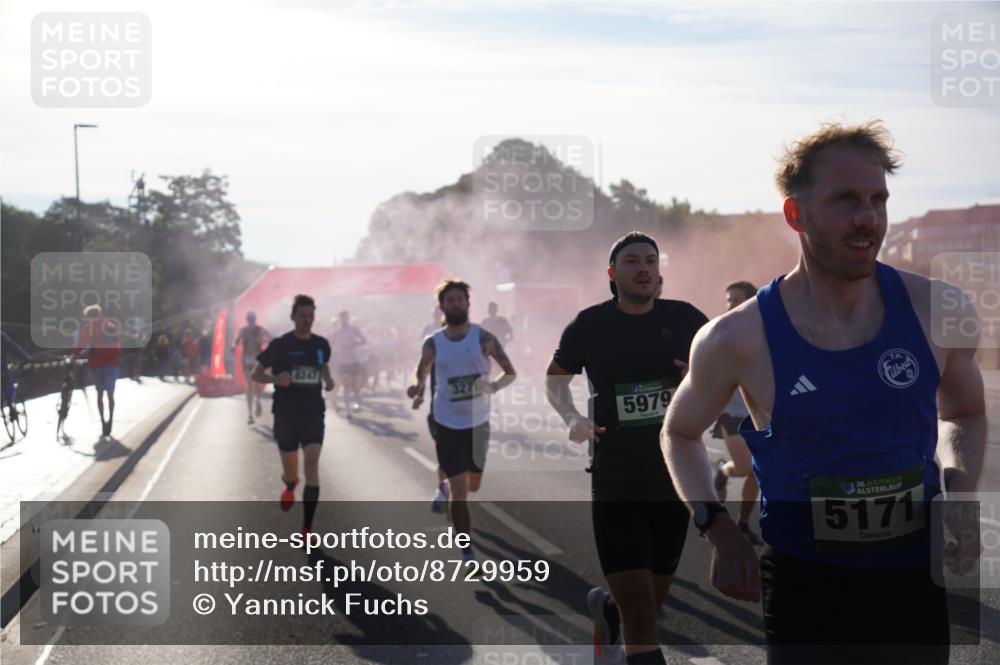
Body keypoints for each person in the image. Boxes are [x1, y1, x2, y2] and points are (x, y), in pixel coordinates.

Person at [661, 121, 986, 665]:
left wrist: (959, 492)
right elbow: (679, 432)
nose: (869, 218)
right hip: (805, 587)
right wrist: (717, 527)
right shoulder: (738, 336)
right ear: (796, 214)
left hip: (912, 580)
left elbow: (966, 412)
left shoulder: (938, 309)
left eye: (878, 200)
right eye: (846, 200)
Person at [545, 232, 708, 665]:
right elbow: (555, 379)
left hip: (673, 478)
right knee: (639, 608)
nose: (644, 269)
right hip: (616, 478)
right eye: (632, 261)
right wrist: (572, 417)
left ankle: (607, 611)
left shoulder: (687, 319)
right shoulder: (590, 325)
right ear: (612, 273)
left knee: (651, 603)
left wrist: (699, 378)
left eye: (651, 261)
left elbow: (724, 371)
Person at [407, 279, 516, 562]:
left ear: (468, 304)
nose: (455, 304)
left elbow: (510, 372)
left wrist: (493, 386)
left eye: (460, 299)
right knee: (460, 491)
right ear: (441, 307)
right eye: (450, 300)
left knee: (473, 485)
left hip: (478, 422)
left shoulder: (483, 338)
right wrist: (417, 387)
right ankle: (467, 552)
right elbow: (422, 372)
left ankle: (455, 504)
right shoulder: (433, 343)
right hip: (446, 422)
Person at [251, 295, 334, 538]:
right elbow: (256, 374)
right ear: (293, 317)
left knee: (311, 463)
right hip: (286, 415)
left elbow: (323, 365)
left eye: (310, 316)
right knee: (291, 472)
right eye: (302, 316)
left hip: (313, 413)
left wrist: (328, 379)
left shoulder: (321, 344)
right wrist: (276, 379)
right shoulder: (281, 345)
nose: (307, 320)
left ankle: (307, 530)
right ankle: (290, 484)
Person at [710, 281, 764, 546]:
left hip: (758, 414)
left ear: (750, 302)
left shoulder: (765, 332)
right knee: (744, 468)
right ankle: (723, 470)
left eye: (736, 300)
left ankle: (743, 522)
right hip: (730, 413)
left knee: (757, 471)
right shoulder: (719, 332)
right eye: (728, 300)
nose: (730, 305)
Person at [73, 304, 123, 437]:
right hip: (112, 363)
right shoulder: (110, 325)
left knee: (99, 394)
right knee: (110, 394)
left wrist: (75, 354)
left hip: (96, 364)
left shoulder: (88, 327)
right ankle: (110, 419)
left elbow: (81, 344)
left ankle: (102, 422)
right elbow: (119, 343)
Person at [233, 311, 271, 424]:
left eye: (252, 319)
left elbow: (270, 337)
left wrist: (265, 340)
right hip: (247, 361)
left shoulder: (260, 329)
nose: (251, 321)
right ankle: (250, 414)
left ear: (255, 319)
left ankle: (257, 401)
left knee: (256, 384)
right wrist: (233, 346)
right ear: (248, 320)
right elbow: (235, 342)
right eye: (250, 319)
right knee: (249, 385)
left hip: (257, 361)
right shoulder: (243, 330)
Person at [331, 311, 367, 416]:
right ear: (339, 319)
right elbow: (331, 345)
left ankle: (358, 403)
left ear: (348, 318)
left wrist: (355, 343)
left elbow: (364, 340)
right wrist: (335, 351)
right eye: (342, 318)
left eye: (346, 318)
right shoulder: (336, 332)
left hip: (354, 360)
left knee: (355, 386)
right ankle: (348, 411)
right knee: (346, 384)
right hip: (342, 361)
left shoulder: (354, 329)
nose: (344, 320)